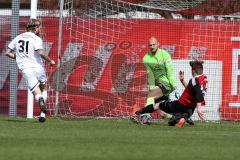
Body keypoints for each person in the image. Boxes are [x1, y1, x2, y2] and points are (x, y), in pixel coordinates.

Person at [5, 19, 55, 122]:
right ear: (35, 28)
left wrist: (18, 57)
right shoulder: (36, 38)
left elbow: (7, 52)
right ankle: (42, 115)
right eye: (39, 28)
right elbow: (40, 53)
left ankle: (40, 102)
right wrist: (50, 60)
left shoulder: (18, 38)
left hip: (26, 69)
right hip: (38, 67)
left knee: (36, 93)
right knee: (44, 88)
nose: (39, 30)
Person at [135, 60, 208, 126]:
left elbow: (198, 94)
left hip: (180, 105)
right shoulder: (204, 79)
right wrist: (182, 80)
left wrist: (199, 109)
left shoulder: (194, 80)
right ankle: (182, 118)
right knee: (172, 123)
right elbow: (194, 91)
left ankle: (138, 113)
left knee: (157, 105)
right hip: (190, 109)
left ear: (193, 71)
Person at [132, 36, 177, 122]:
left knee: (151, 95)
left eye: (154, 44)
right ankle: (175, 117)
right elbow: (150, 75)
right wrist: (152, 86)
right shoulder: (146, 58)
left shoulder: (165, 54)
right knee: (159, 106)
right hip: (158, 85)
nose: (152, 46)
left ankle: (143, 116)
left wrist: (174, 86)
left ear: (158, 44)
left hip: (166, 83)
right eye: (150, 45)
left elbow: (170, 72)